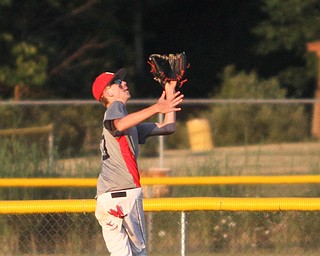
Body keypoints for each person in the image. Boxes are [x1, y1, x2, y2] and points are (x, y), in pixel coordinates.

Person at [91, 68, 184, 256]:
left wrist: (169, 90)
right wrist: (157, 108)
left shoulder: (130, 127)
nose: (124, 83)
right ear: (108, 93)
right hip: (125, 195)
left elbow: (168, 127)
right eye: (118, 82)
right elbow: (117, 125)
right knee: (138, 253)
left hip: (105, 200)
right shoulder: (116, 108)